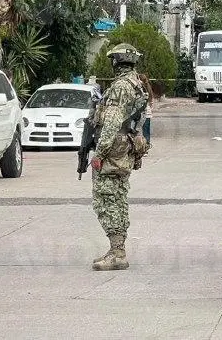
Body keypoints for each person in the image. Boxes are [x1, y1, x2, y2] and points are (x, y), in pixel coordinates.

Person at [89, 43, 150, 271]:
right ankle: (117, 249)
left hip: (113, 151)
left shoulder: (120, 87)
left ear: (115, 61)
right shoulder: (136, 84)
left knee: (106, 198)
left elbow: (112, 122)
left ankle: (117, 252)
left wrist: (99, 153)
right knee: (118, 197)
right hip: (125, 149)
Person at [138, 73, 154, 145]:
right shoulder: (148, 88)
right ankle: (147, 145)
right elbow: (151, 102)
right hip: (148, 113)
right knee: (146, 130)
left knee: (135, 130)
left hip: (140, 113)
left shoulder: (139, 88)